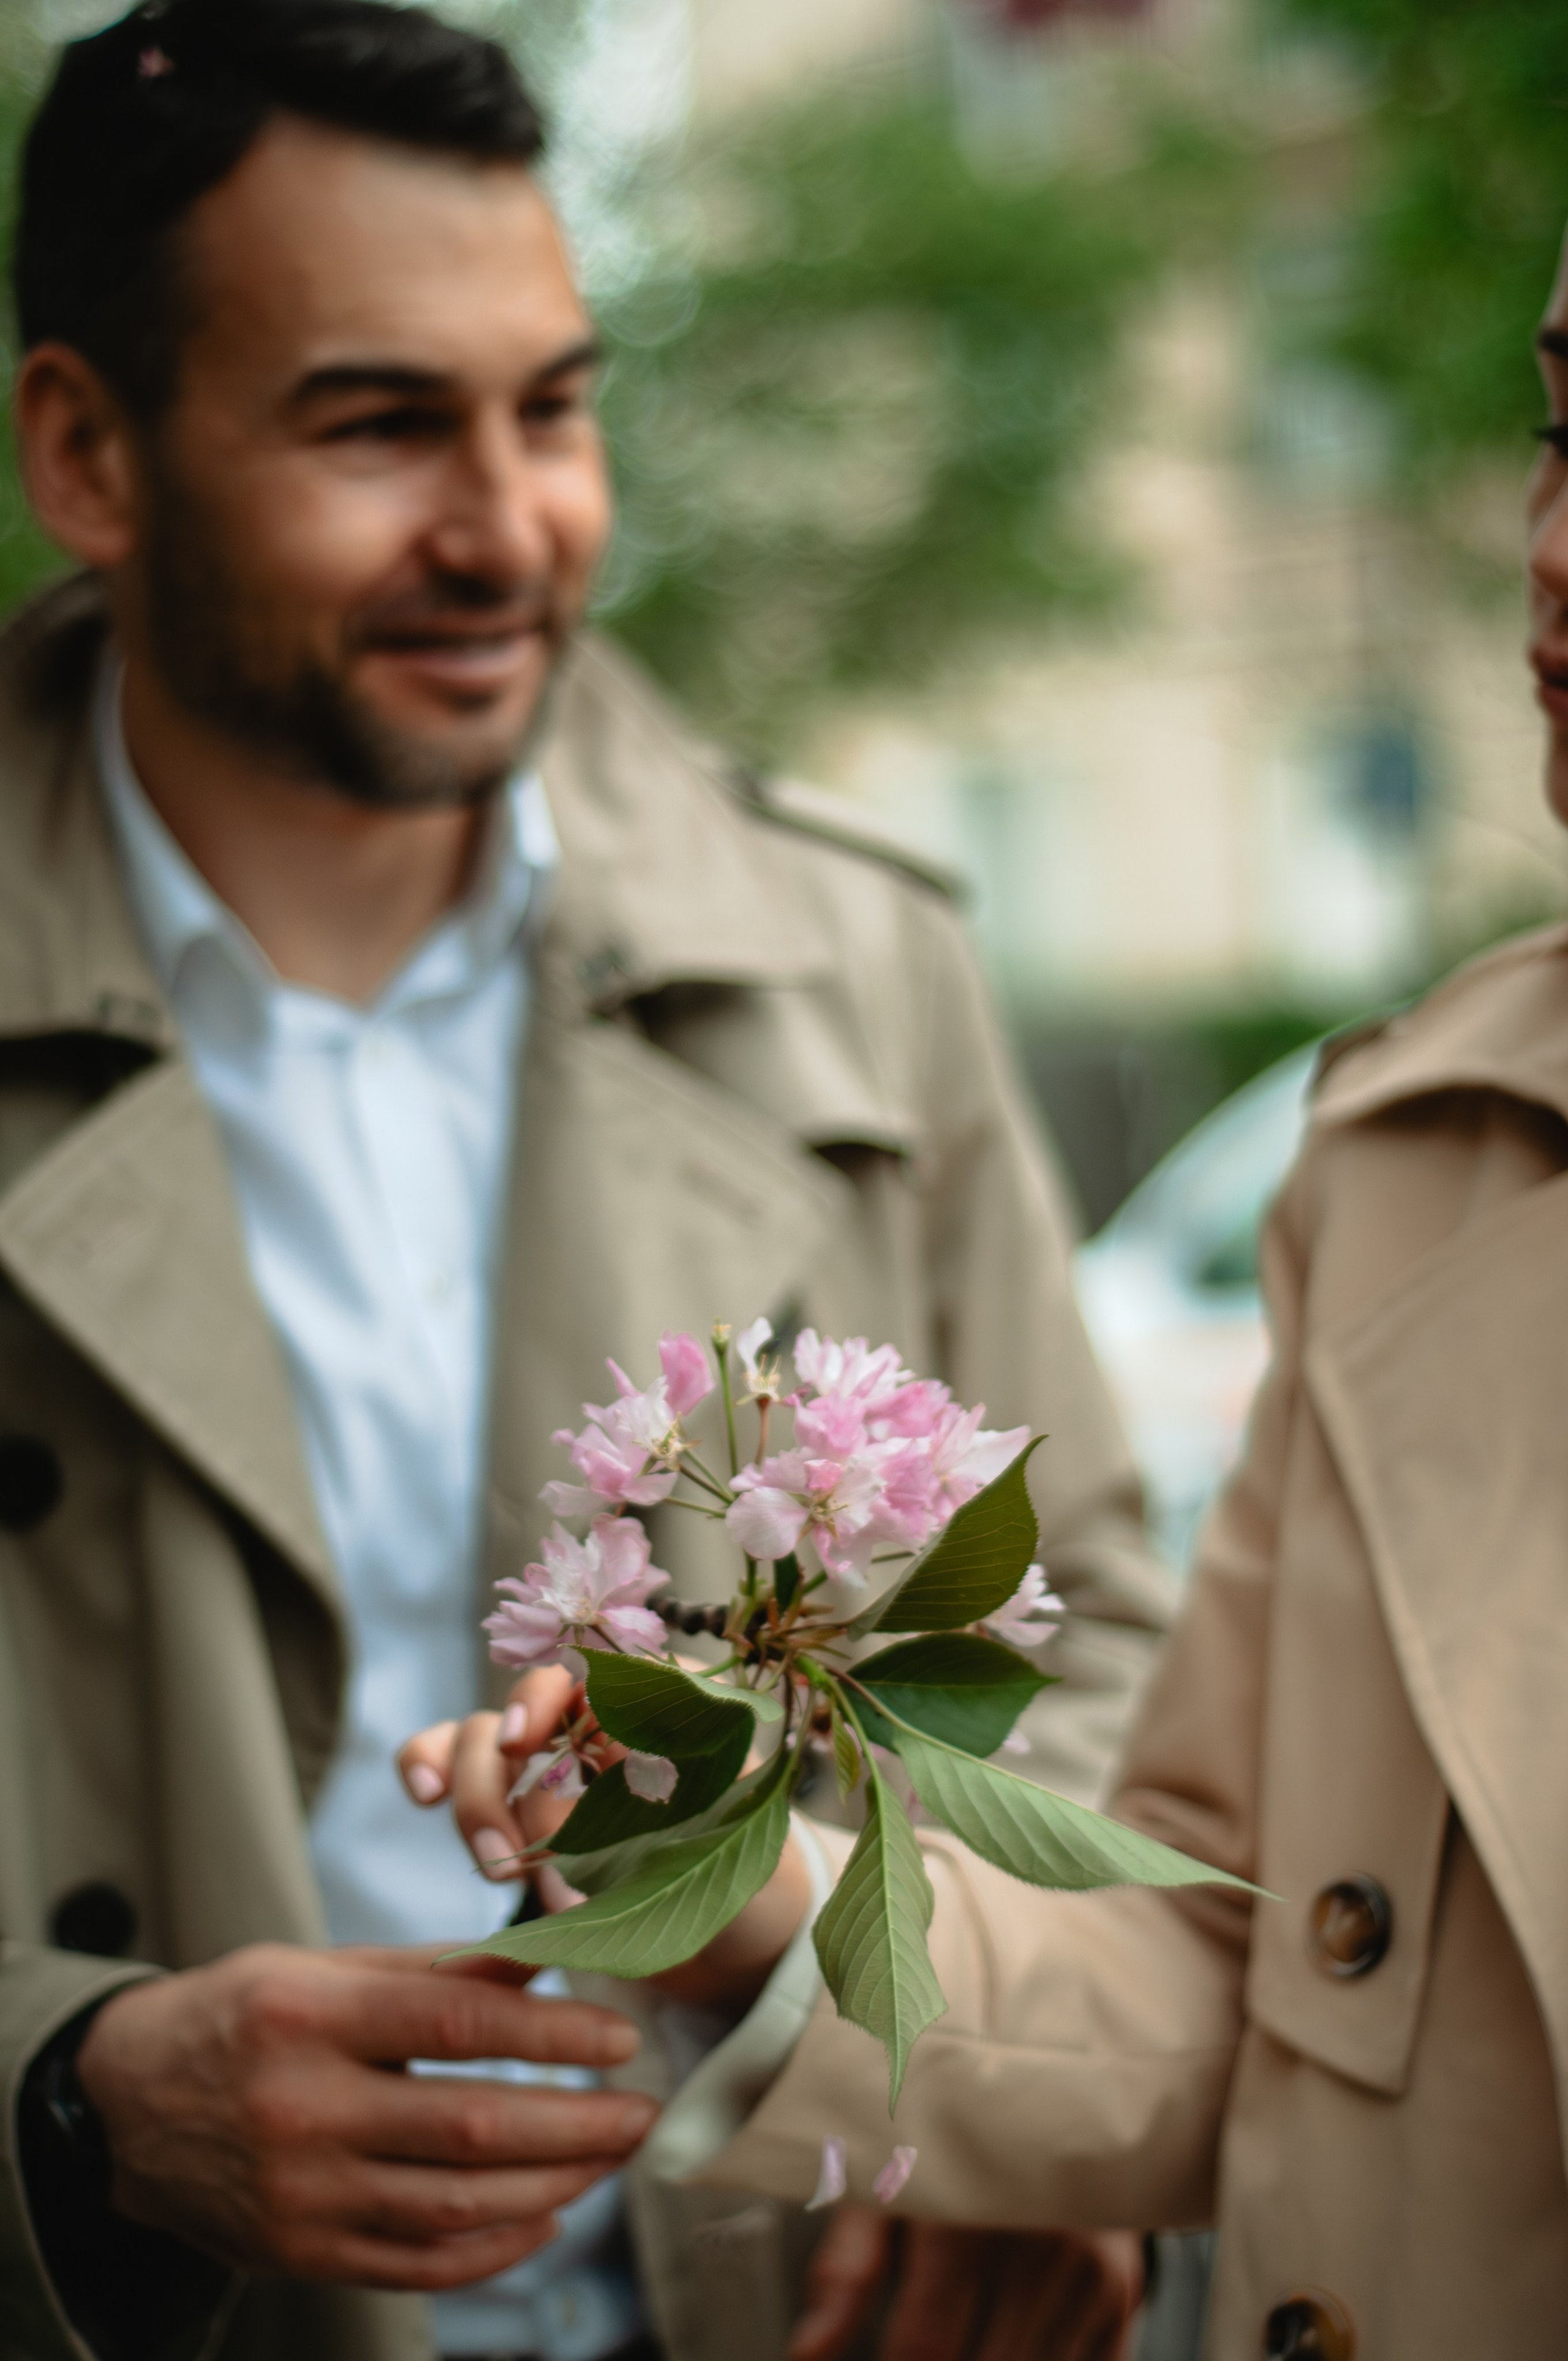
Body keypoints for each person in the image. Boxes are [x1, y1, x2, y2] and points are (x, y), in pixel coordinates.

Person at [0, 7, 1174, 2360]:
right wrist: (69, 2094)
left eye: (551, 406)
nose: (511, 524)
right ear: (88, 453)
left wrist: (1004, 2099)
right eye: (375, 425)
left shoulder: (860, 960)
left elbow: (1107, 1648)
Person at [423, 222, 1568, 2361]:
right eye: (1557, 431)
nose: (1555, 547)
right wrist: (727, 1894)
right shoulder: (1421, 1168)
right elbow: (1226, 1971)